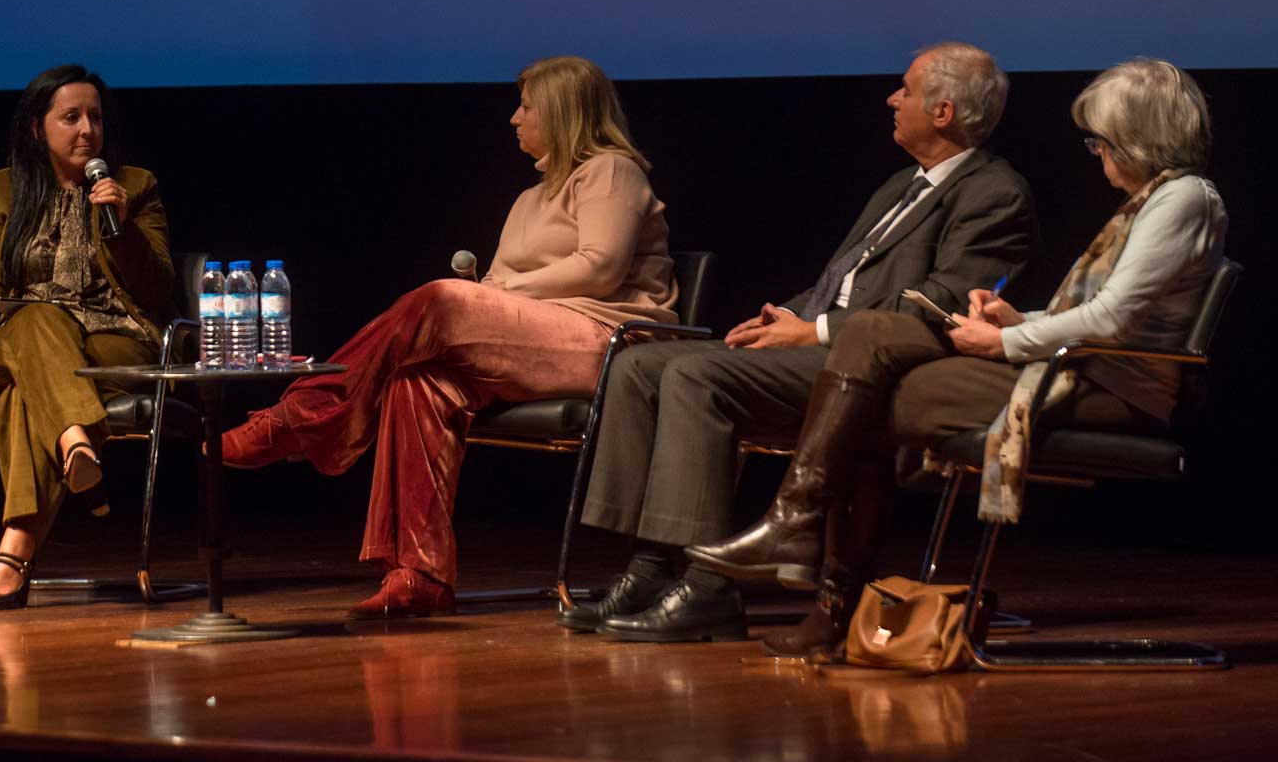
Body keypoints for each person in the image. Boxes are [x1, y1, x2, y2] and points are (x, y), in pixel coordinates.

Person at [686, 58, 1226, 657]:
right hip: (1077, 368)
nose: (1096, 157)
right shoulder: (1155, 200)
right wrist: (1018, 319)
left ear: (1138, 140)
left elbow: (1113, 319)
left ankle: (816, 566)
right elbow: (1098, 310)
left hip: (1112, 390)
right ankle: (813, 562)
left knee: (878, 391)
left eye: (1101, 143)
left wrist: (1005, 343)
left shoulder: (1183, 202)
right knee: (868, 343)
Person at [565, 41, 1039, 643]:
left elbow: (939, 307)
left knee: (695, 377)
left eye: (907, 90)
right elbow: (839, 281)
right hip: (822, 340)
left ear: (943, 111)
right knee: (640, 367)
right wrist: (786, 314)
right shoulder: (901, 185)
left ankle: (708, 588)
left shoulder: (994, 194)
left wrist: (811, 331)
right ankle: (651, 568)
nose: (892, 99)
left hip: (866, 366)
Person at [219, 56, 678, 616]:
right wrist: (490, 294)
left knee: (439, 299)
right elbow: (507, 290)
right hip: (540, 344)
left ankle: (302, 415)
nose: (514, 118)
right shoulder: (530, 198)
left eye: (527, 106)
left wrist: (496, 294)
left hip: (610, 341)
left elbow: (600, 268)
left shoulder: (610, 170)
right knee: (417, 381)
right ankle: (420, 575)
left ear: (560, 113)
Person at [0, 65, 172, 610]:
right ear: (37, 127)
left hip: (115, 339)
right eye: (71, 117)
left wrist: (120, 226)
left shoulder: (136, 185)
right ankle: (73, 440)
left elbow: (158, 294)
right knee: (33, 319)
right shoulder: (4, 189)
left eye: (95, 118)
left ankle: (18, 545)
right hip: (29, 338)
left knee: (19, 395)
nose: (87, 131)